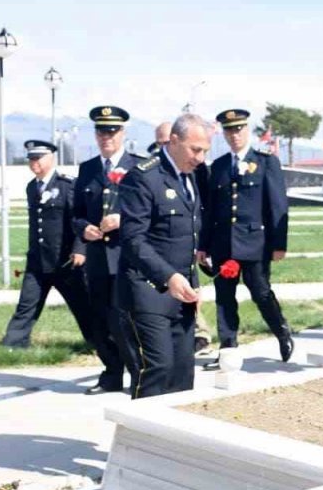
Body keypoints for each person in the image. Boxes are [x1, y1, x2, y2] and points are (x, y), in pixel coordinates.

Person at [119, 114, 207, 397]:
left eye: (205, 150)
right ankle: (138, 439)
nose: (201, 157)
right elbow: (133, 240)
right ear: (174, 141)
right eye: (195, 149)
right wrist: (169, 276)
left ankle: (172, 440)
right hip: (147, 290)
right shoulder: (144, 177)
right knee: (157, 367)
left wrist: (194, 280)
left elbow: (188, 234)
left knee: (182, 372)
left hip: (182, 294)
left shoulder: (194, 175)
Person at [198, 108, 294, 366]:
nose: (234, 134)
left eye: (238, 128)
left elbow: (277, 205)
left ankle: (282, 331)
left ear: (247, 129)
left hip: (255, 244)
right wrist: (203, 245)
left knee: (261, 293)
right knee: (224, 300)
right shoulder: (217, 166)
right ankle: (227, 349)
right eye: (229, 130)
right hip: (223, 244)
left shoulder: (265, 160)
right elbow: (211, 209)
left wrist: (278, 244)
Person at [1, 140, 101, 349]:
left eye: (38, 158)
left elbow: (78, 219)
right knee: (26, 305)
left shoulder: (67, 186)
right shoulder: (32, 187)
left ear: (51, 158)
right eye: (30, 158)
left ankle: (102, 345)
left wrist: (79, 249)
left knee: (83, 307)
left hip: (65, 262)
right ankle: (13, 345)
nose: (33, 163)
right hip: (38, 261)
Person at [71, 106, 138, 394]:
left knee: (125, 319)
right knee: (98, 319)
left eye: (112, 131)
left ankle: (139, 375)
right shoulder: (87, 169)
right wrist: (83, 228)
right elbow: (75, 214)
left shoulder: (139, 167)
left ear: (122, 132)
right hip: (97, 258)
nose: (106, 137)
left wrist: (122, 219)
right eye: (101, 131)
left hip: (127, 256)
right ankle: (111, 373)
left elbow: (150, 212)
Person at [154, 120, 216, 355]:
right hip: (160, 250)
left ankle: (198, 333)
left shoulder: (196, 170)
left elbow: (204, 207)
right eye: (159, 142)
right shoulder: (152, 172)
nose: (162, 145)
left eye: (165, 141)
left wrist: (204, 243)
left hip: (188, 245)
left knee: (190, 294)